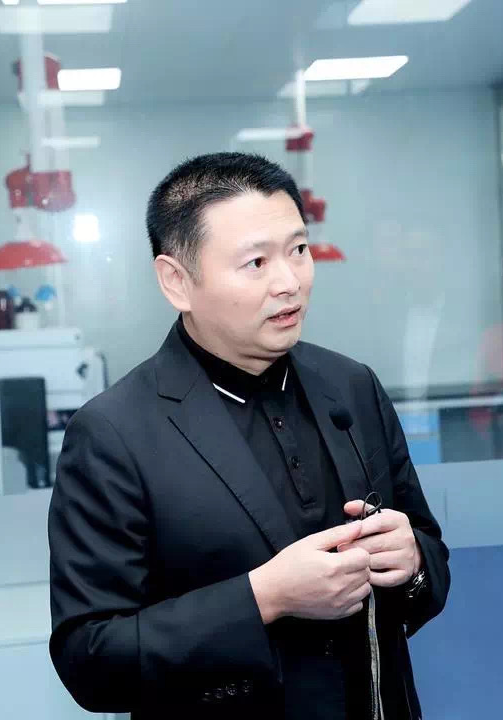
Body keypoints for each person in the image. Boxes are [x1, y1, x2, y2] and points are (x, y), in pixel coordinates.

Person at [47, 152, 449, 719]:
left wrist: (412, 562)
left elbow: (429, 556)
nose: (290, 282)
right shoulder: (114, 433)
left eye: (299, 250)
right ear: (177, 281)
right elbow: (89, 659)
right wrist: (264, 598)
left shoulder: (351, 386)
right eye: (256, 262)